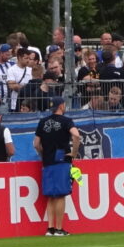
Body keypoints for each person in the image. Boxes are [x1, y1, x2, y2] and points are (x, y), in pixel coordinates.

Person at [34, 96, 82, 236]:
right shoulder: (66, 121)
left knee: (51, 196)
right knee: (61, 195)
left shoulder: (43, 122)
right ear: (61, 106)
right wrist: (73, 153)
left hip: (48, 161)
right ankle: (59, 228)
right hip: (62, 159)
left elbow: (36, 144)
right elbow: (76, 136)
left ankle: (50, 228)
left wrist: (43, 153)